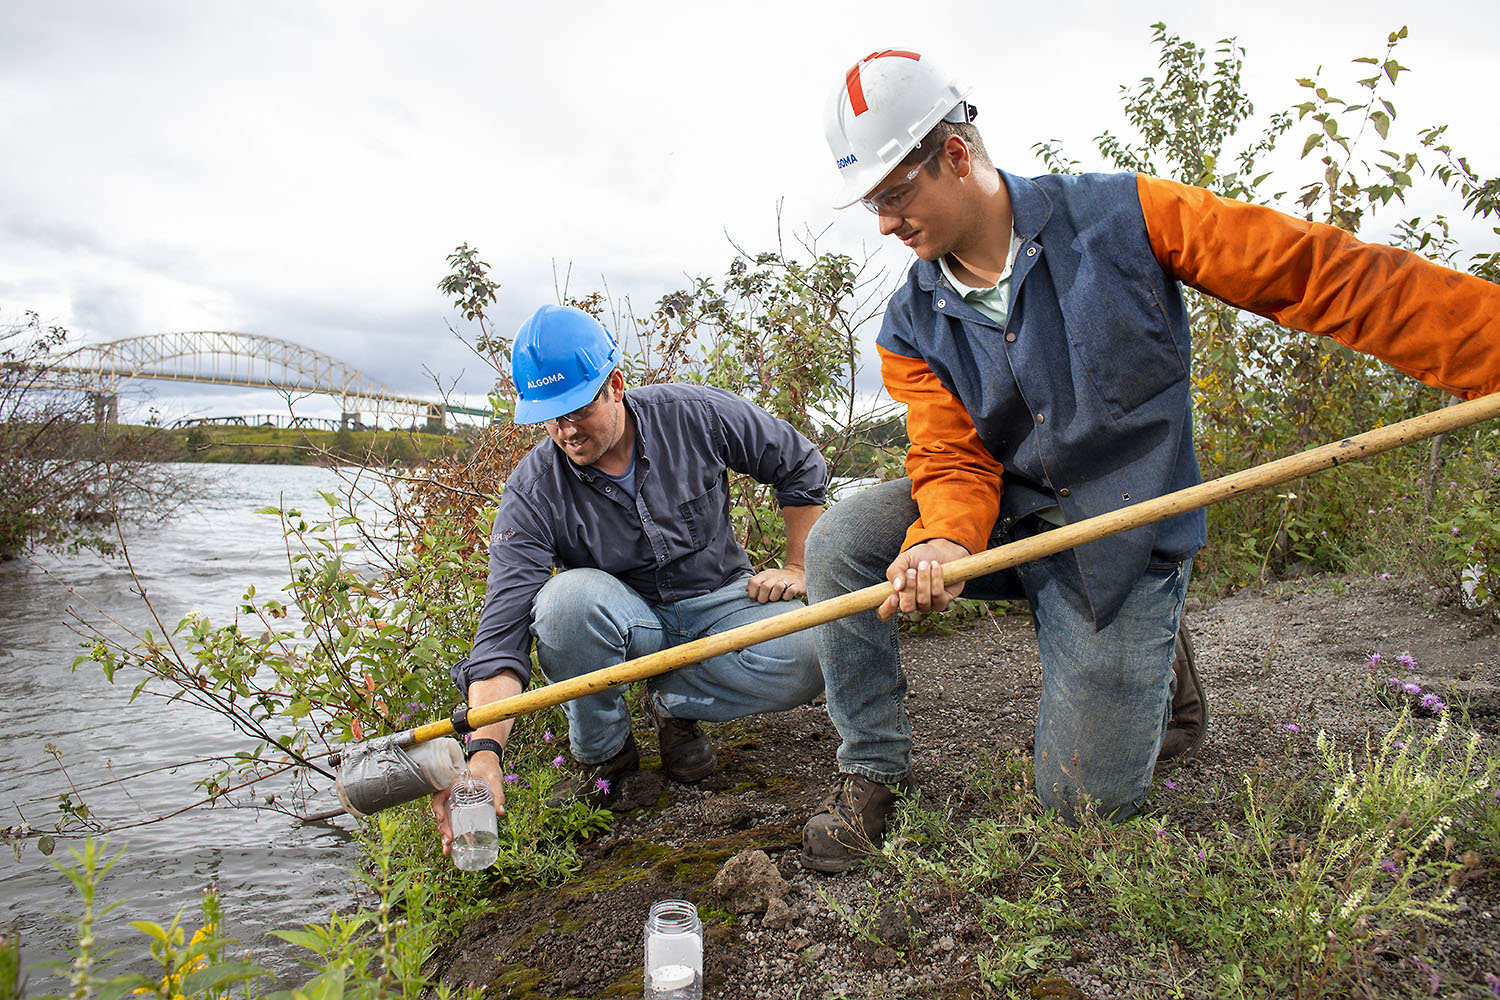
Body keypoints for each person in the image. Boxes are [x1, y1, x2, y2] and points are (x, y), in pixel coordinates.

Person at [799, 48, 1500, 873]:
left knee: (1081, 807)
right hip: (1005, 520)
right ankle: (870, 768)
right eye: (872, 201)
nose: (883, 222)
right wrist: (944, 539)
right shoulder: (909, 323)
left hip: (1121, 531)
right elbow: (949, 455)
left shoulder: (1128, 216)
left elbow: (1319, 275)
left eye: (893, 193)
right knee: (841, 536)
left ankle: (1156, 642)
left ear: (955, 154)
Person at [430, 304, 826, 856]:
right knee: (564, 604)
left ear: (615, 385)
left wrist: (800, 567)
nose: (566, 430)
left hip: (721, 605)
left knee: (815, 654)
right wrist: (483, 754)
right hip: (627, 623)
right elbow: (501, 634)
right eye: (551, 416)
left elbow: (797, 463)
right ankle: (607, 757)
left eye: (577, 409)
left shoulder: (694, 413)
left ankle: (676, 707)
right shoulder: (533, 489)